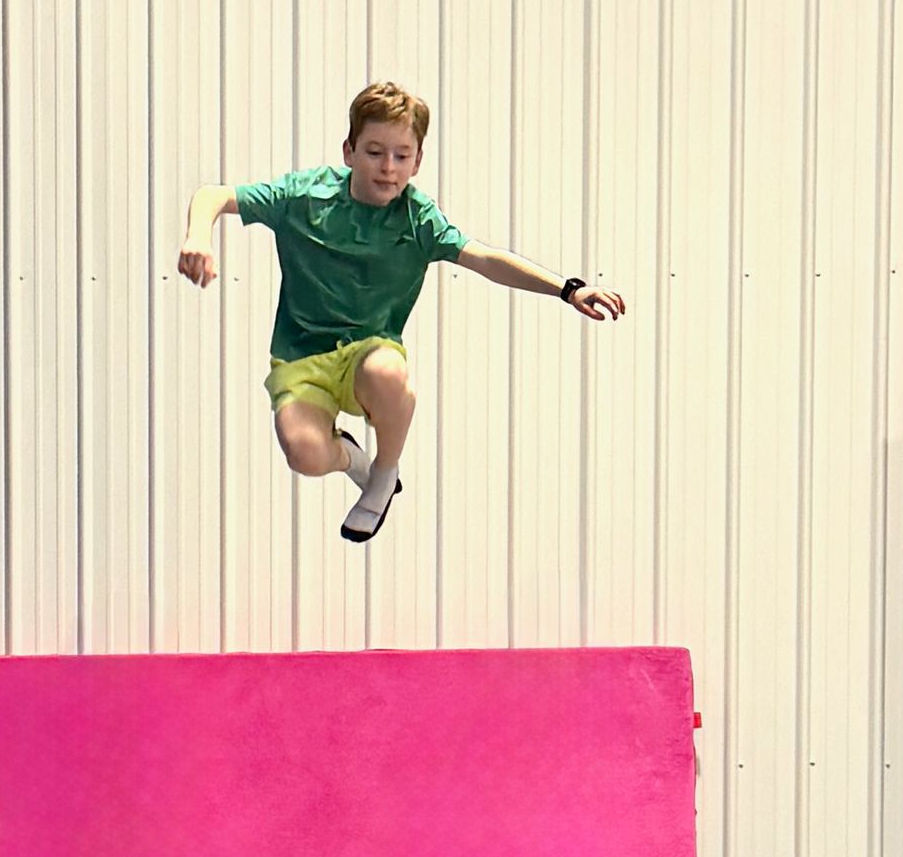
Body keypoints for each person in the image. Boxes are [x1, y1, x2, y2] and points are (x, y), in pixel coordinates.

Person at [179, 80, 626, 541]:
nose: (387, 168)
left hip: (367, 354)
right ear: (349, 151)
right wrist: (198, 236)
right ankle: (353, 458)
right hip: (302, 356)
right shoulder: (304, 197)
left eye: (401, 156)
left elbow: (486, 259)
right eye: (374, 152)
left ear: (417, 161)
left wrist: (568, 289)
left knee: (388, 371)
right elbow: (215, 194)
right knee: (305, 454)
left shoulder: (418, 219)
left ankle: (383, 476)